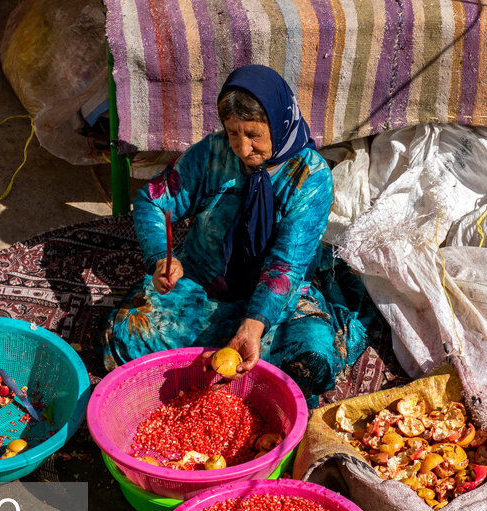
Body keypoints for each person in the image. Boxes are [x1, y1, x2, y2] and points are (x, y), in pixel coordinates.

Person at [102, 65, 370, 404]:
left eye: (254, 134)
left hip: (278, 300)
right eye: (233, 133)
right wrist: (161, 259)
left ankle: (236, 357)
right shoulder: (213, 153)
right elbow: (153, 202)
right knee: (127, 336)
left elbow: (285, 265)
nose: (243, 149)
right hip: (202, 283)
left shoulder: (310, 177)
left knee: (311, 358)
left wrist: (254, 324)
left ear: (279, 121)